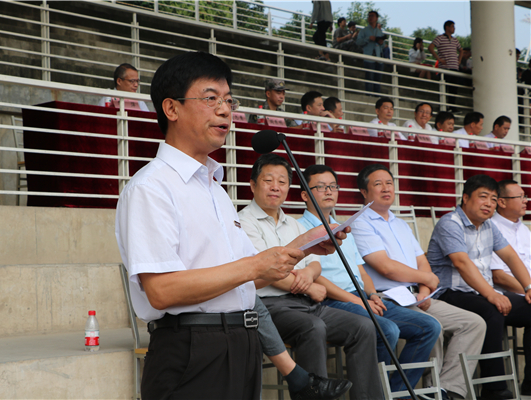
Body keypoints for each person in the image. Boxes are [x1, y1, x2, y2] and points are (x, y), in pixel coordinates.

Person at [115, 51, 351, 400]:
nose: (225, 110)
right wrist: (256, 264)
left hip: (241, 341)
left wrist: (302, 245)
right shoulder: (151, 187)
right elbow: (162, 290)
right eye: (210, 99)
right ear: (172, 109)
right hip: (191, 348)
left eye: (228, 100)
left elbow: (245, 279)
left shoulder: (215, 188)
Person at [238, 153, 384, 400]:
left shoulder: (292, 224)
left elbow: (315, 264)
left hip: (305, 304)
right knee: (312, 328)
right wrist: (306, 286)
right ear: (253, 185)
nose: (276, 187)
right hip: (269, 307)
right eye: (268, 180)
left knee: (363, 326)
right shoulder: (244, 222)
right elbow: (263, 271)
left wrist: (308, 273)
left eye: (282, 182)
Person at [297, 164, 441, 394]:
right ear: (305, 194)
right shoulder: (299, 228)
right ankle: (376, 393)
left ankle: (398, 392)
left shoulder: (342, 226)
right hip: (332, 301)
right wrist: (361, 302)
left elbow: (361, 271)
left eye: (333, 186)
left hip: (362, 297)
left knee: (429, 326)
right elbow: (320, 280)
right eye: (321, 187)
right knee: (388, 330)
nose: (329, 191)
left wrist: (372, 295)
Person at [351, 164, 487, 400]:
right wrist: (429, 279)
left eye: (390, 183)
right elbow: (386, 268)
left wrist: (425, 290)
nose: (386, 188)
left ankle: (446, 390)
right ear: (364, 192)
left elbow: (422, 262)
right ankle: (419, 391)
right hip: (387, 297)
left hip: (415, 296)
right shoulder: (360, 223)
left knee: (473, 323)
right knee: (429, 324)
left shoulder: (401, 224)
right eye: (378, 184)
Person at [427, 174, 531, 400]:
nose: (489, 204)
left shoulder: (489, 226)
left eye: (494, 199)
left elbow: (511, 257)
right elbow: (461, 263)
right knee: (491, 310)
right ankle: (494, 389)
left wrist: (529, 286)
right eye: (483, 197)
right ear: (465, 198)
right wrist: (492, 294)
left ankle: (529, 382)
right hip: (449, 293)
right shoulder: (450, 223)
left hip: (480, 292)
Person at [491, 180, 531, 396]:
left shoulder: (523, 229)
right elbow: (499, 276)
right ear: (502, 202)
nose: (526, 201)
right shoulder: (492, 227)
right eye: (521, 196)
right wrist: (528, 290)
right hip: (504, 292)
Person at [428, 21, 463, 111]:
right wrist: (439, 59)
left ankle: (452, 107)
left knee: (454, 89)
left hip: (454, 67)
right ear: (447, 27)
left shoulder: (455, 40)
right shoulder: (440, 38)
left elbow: (461, 50)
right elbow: (430, 47)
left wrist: (458, 61)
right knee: (446, 87)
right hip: (445, 68)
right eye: (452, 26)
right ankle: (444, 106)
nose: (454, 28)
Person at [356, 11, 385, 94]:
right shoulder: (364, 31)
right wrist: (368, 38)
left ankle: (377, 97)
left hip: (378, 58)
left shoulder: (380, 32)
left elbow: (384, 45)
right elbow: (358, 42)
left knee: (378, 80)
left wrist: (381, 43)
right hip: (369, 57)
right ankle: (369, 96)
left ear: (376, 18)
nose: (370, 17)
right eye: (369, 16)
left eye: (372, 16)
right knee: (369, 78)